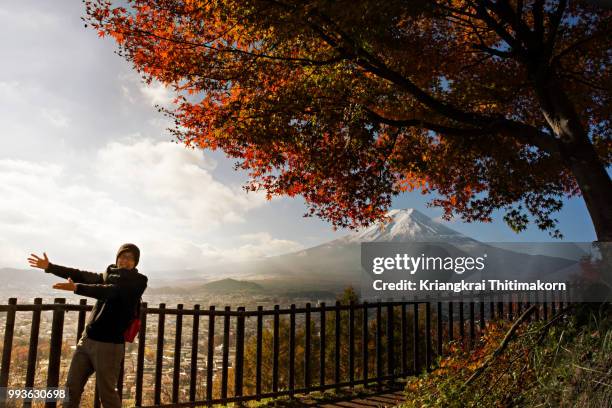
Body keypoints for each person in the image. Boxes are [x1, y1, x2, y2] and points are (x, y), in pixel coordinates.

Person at [27, 243, 148, 408]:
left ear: (135, 262)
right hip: (87, 340)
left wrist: (77, 288)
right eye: (122, 256)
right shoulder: (109, 274)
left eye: (130, 258)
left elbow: (111, 291)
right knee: (71, 389)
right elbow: (80, 275)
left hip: (110, 345)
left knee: (107, 395)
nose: (125, 260)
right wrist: (50, 267)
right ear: (117, 258)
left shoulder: (138, 282)